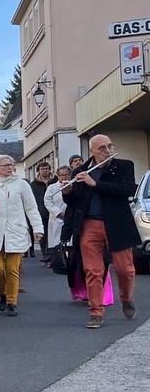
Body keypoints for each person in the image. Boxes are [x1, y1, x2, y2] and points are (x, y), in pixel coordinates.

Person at [63, 134, 139, 327]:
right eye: (102, 148)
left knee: (125, 270)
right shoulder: (81, 170)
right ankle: (96, 312)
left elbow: (127, 189)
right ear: (92, 151)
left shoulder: (124, 166)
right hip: (90, 224)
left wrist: (96, 184)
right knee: (93, 270)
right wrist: (67, 192)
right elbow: (75, 202)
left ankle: (126, 297)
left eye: (110, 147)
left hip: (117, 223)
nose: (108, 151)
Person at [0, 154, 43, 317]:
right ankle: (2, 292)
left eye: (11, 164)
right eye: (5, 165)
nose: (10, 167)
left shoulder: (21, 185)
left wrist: (38, 228)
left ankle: (11, 301)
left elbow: (31, 208)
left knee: (12, 269)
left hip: (16, 231)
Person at [43, 165, 70, 264]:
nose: (64, 177)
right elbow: (47, 201)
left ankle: (69, 260)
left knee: (69, 241)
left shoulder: (74, 185)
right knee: (57, 241)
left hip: (70, 217)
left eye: (66, 174)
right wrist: (58, 213)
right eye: (61, 175)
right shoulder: (52, 188)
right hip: (57, 218)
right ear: (58, 176)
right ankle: (58, 261)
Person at [29, 162, 53, 262]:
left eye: (47, 169)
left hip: (53, 213)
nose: (45, 171)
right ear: (38, 171)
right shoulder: (34, 185)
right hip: (41, 212)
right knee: (43, 236)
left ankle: (54, 257)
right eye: (42, 169)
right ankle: (46, 256)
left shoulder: (55, 181)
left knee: (53, 235)